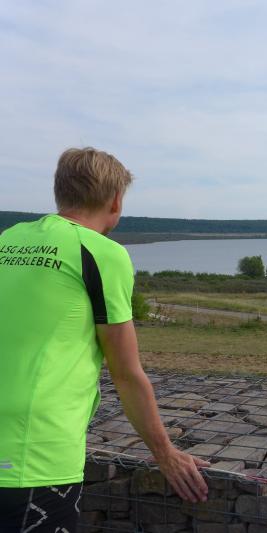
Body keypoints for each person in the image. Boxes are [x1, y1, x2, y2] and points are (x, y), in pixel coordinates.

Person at [0, 148, 209, 532]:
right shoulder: (102, 253)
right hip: (35, 455)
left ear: (59, 192)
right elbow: (125, 372)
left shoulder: (9, 238)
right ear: (115, 201)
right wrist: (165, 454)